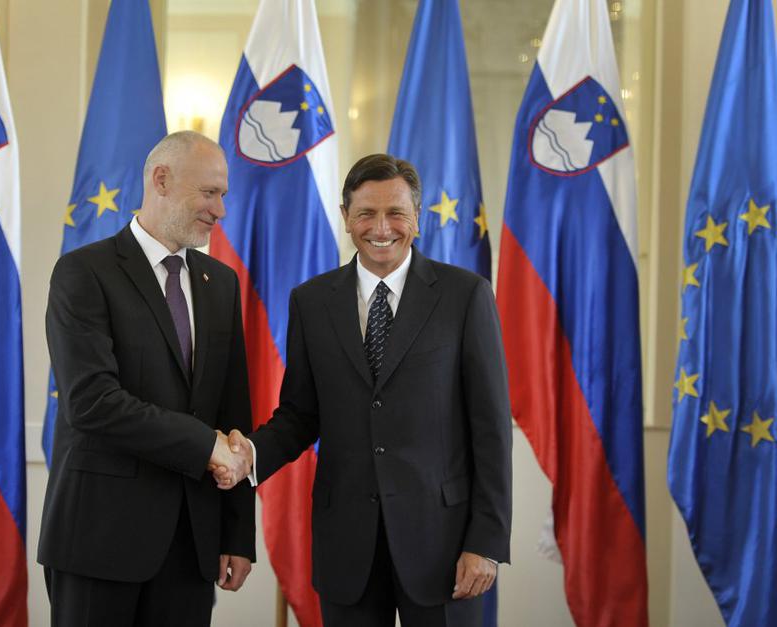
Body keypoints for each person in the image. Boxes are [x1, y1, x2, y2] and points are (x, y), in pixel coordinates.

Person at [217, 154, 512, 626]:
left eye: (396, 213)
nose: (381, 228)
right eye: (366, 214)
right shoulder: (312, 302)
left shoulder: (465, 296)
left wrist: (487, 542)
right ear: (345, 217)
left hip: (445, 545)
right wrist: (248, 456)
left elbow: (492, 430)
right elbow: (300, 416)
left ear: (418, 216)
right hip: (347, 545)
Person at [39, 131, 255, 627]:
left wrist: (237, 534)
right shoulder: (83, 273)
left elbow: (233, 411)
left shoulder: (221, 283)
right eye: (209, 193)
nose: (221, 210)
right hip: (98, 540)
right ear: (161, 180)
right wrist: (204, 445)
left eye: (223, 194)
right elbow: (92, 402)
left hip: (192, 545)